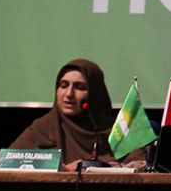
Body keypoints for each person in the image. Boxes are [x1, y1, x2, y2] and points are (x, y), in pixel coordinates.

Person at [9, 58, 145, 171]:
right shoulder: (44, 127)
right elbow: (7, 163)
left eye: (79, 87)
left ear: (95, 93)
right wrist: (62, 169)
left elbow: (143, 167)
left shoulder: (119, 128)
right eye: (63, 85)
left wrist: (98, 168)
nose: (69, 94)